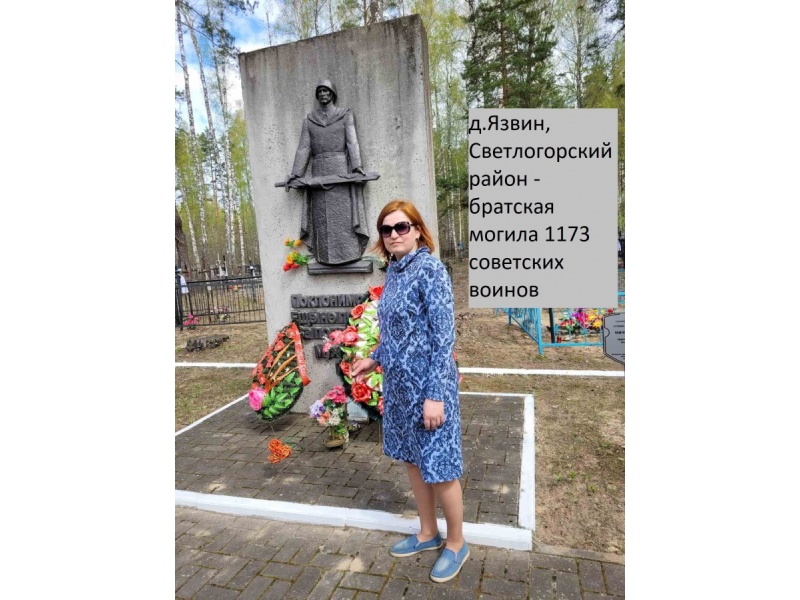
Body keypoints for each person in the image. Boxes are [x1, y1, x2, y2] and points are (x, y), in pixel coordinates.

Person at [351, 200, 468, 583]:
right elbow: (397, 334)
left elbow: (442, 338)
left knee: (441, 467)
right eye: (386, 229)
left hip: (430, 388)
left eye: (401, 227)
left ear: (417, 230)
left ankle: (456, 543)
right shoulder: (395, 273)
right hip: (400, 388)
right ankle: (427, 532)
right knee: (413, 461)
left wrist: (435, 395)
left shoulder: (430, 270)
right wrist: (374, 359)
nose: (393, 234)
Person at [287, 80, 369, 265]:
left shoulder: (345, 115)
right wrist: (296, 173)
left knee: (343, 216)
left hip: (340, 169)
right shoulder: (309, 120)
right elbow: (304, 148)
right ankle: (324, 256)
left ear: (332, 93)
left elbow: (352, 142)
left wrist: (357, 166)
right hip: (318, 172)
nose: (323, 94)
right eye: (320, 92)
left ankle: (349, 254)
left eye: (326, 91)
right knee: (322, 217)